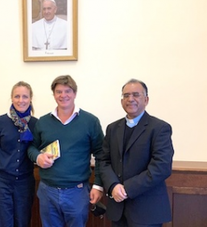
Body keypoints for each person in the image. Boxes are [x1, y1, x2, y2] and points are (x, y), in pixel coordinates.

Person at [27, 75, 104, 227]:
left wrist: (98, 185)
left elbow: (102, 154)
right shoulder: (43, 122)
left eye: (67, 91)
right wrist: (38, 157)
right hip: (47, 191)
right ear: (54, 95)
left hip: (77, 192)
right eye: (59, 92)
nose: (63, 95)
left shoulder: (90, 121)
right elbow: (31, 148)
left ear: (75, 93)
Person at [99, 79, 174, 227]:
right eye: (126, 95)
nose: (130, 99)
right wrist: (113, 185)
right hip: (118, 208)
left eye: (136, 95)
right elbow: (103, 161)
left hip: (147, 210)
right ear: (122, 101)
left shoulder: (159, 128)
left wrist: (127, 188)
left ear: (146, 99)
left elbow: (161, 167)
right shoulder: (113, 128)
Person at [0, 81, 38, 227]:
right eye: (17, 96)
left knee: (23, 223)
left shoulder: (35, 124)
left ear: (30, 99)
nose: (21, 100)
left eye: (25, 96)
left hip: (25, 184)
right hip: (1, 183)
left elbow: (40, 151)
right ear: (11, 98)